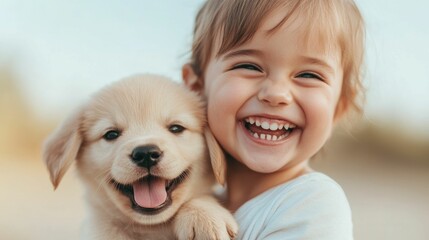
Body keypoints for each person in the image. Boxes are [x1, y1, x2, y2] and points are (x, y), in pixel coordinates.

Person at [182, 0, 365, 239]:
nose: (276, 94)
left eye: (309, 74)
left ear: (338, 109)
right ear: (196, 88)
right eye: (249, 66)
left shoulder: (312, 203)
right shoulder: (191, 203)